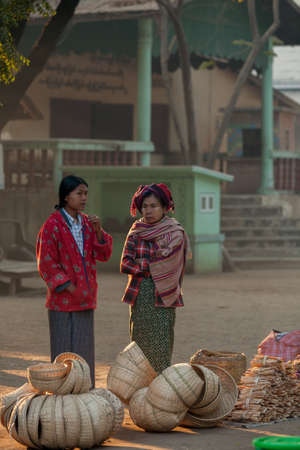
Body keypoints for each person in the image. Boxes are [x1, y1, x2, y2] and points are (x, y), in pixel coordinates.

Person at [36, 175, 112, 387]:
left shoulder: (88, 224)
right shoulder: (52, 225)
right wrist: (68, 287)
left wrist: (98, 232)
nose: (84, 198)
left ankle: (84, 393)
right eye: (79, 193)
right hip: (62, 300)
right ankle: (62, 394)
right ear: (66, 196)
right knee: (63, 351)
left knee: (84, 349)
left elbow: (103, 254)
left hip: (85, 298)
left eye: (86, 193)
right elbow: (46, 262)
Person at [120, 183, 190, 373]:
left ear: (165, 208)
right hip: (139, 295)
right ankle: (139, 394)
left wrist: (142, 263)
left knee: (161, 348)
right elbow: (125, 264)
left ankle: (161, 393)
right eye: (145, 206)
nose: (148, 211)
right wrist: (154, 263)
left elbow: (172, 262)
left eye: (154, 206)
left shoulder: (175, 232)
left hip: (164, 297)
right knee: (139, 348)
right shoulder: (136, 231)